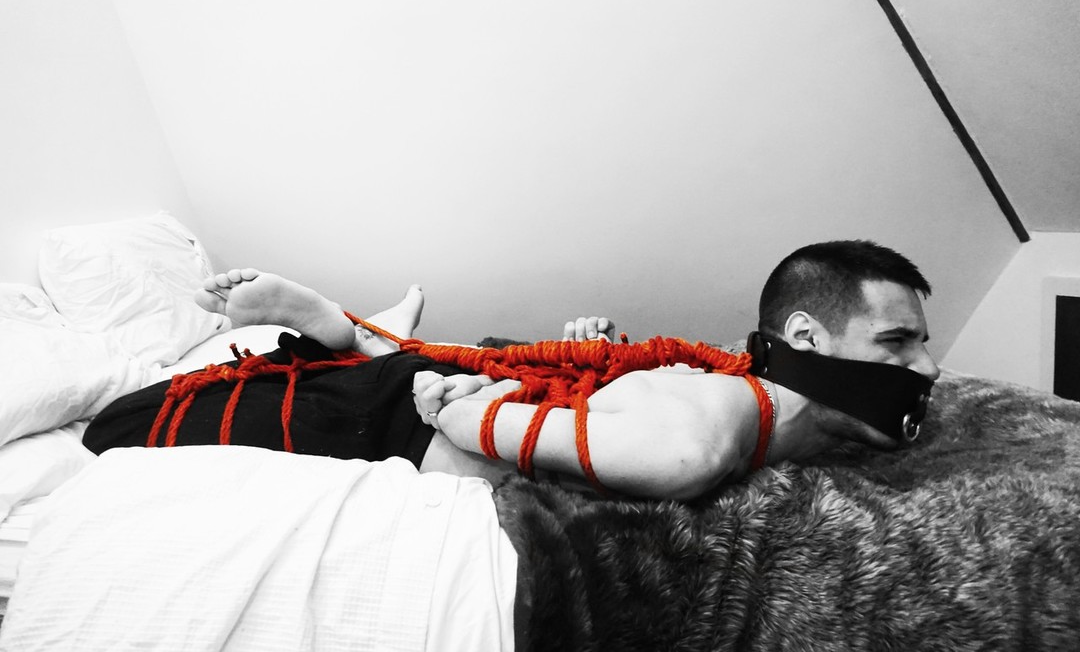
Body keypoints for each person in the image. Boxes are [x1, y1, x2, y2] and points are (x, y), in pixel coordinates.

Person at [84, 240, 940, 501]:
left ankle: (349, 334)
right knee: (113, 429)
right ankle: (346, 336)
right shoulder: (732, 409)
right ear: (806, 338)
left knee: (413, 363)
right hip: (397, 415)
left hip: (414, 403)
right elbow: (682, 453)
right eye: (899, 342)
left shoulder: (745, 395)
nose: (928, 369)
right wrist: (464, 411)